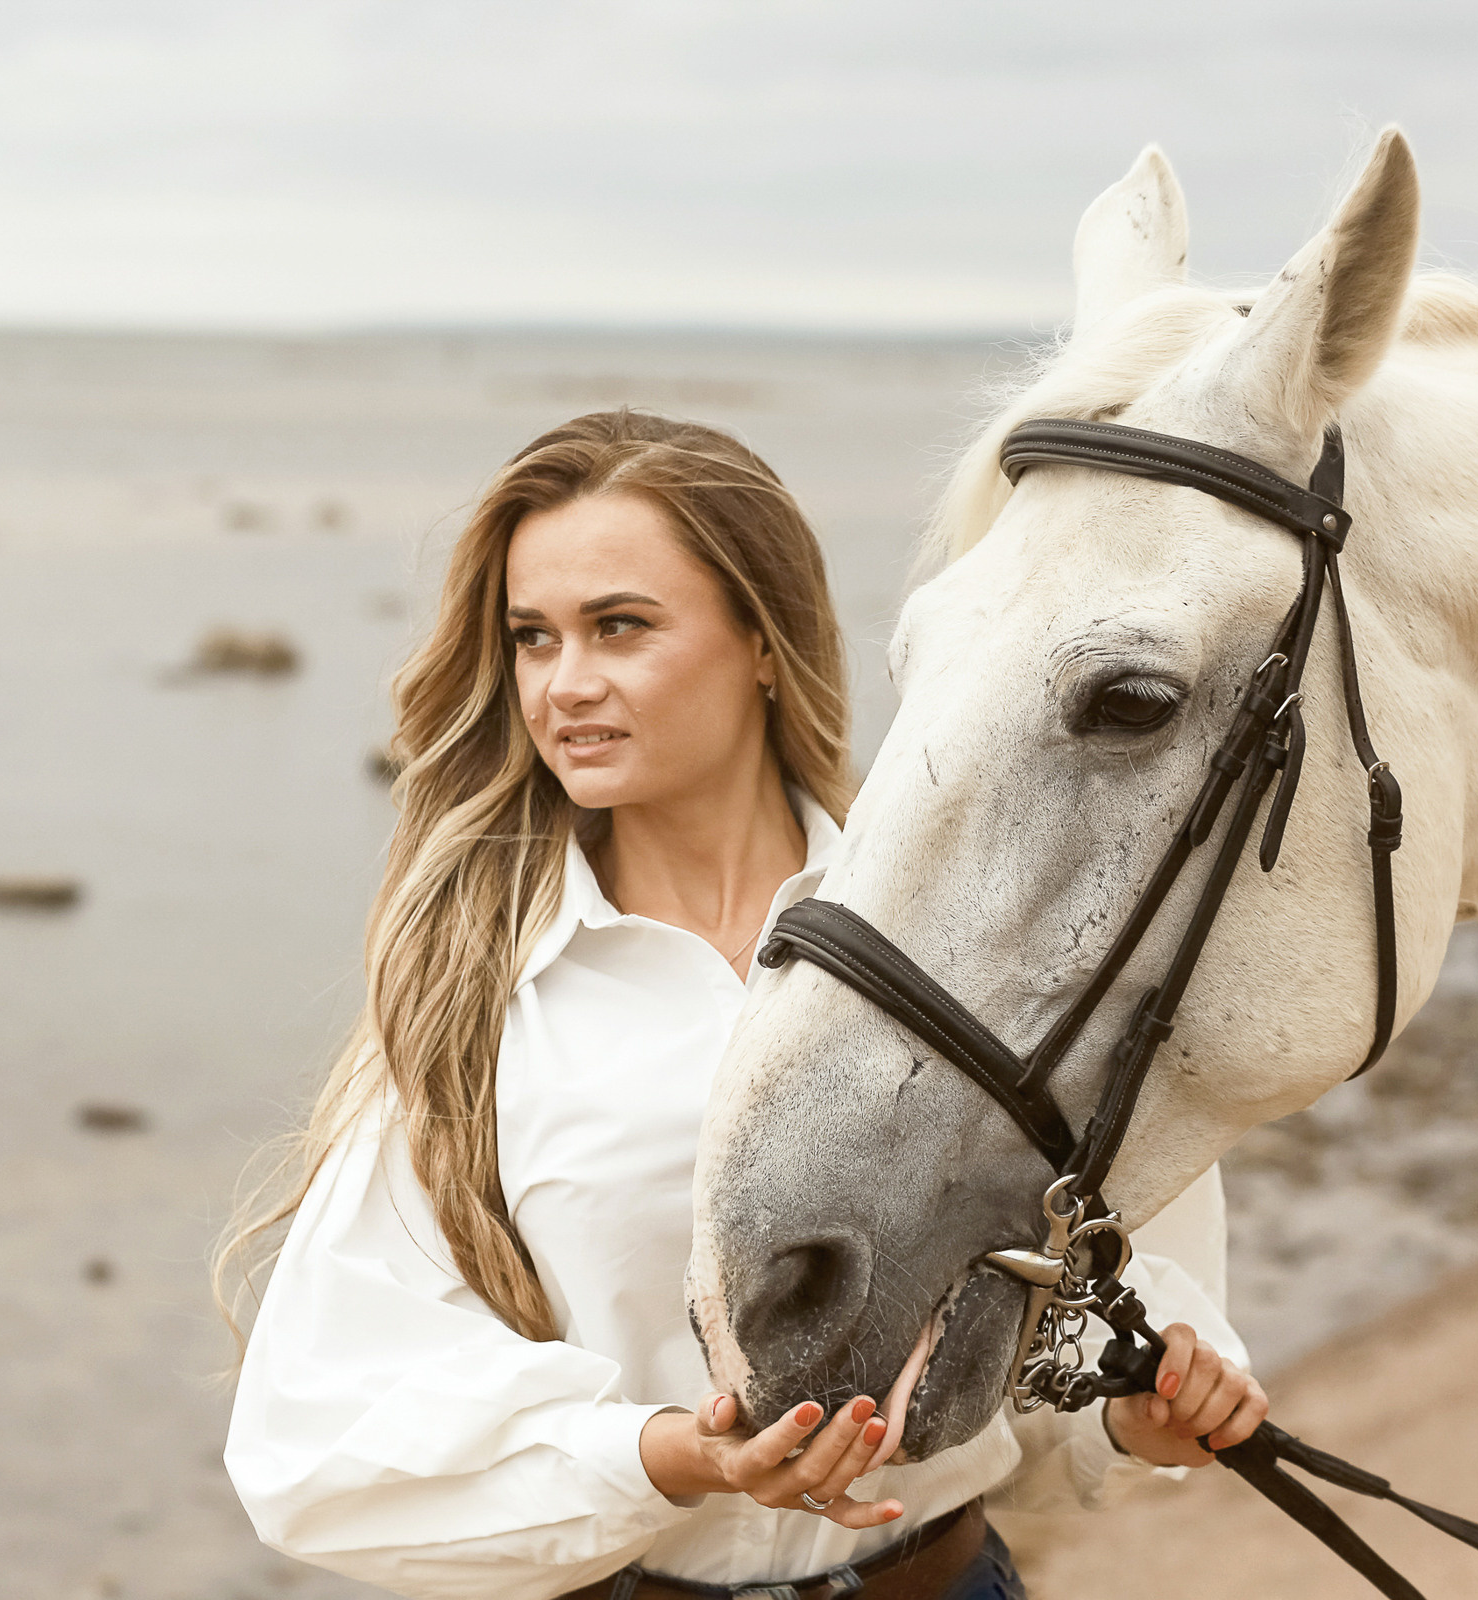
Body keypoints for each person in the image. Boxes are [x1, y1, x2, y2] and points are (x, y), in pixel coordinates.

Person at [215, 410, 1267, 1600]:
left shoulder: (981, 957)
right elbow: (321, 1442)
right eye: (533, 637)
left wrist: (1145, 1411)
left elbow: (1073, 1359)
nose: (566, 685)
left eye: (620, 627)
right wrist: (665, 1456)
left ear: (762, 641)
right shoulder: (474, 1007)